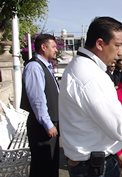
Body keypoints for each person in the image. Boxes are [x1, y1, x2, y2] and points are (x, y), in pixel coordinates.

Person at [58, 17, 122, 177]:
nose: (121, 53)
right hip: (95, 167)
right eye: (118, 45)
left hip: (89, 163)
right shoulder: (91, 76)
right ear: (99, 44)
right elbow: (120, 128)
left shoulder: (80, 67)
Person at [20, 33, 59, 177]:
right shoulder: (35, 67)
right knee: (43, 167)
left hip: (48, 124)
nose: (56, 50)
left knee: (50, 165)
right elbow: (37, 99)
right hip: (41, 126)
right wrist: (48, 124)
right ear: (43, 47)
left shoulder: (45, 66)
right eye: (53, 46)